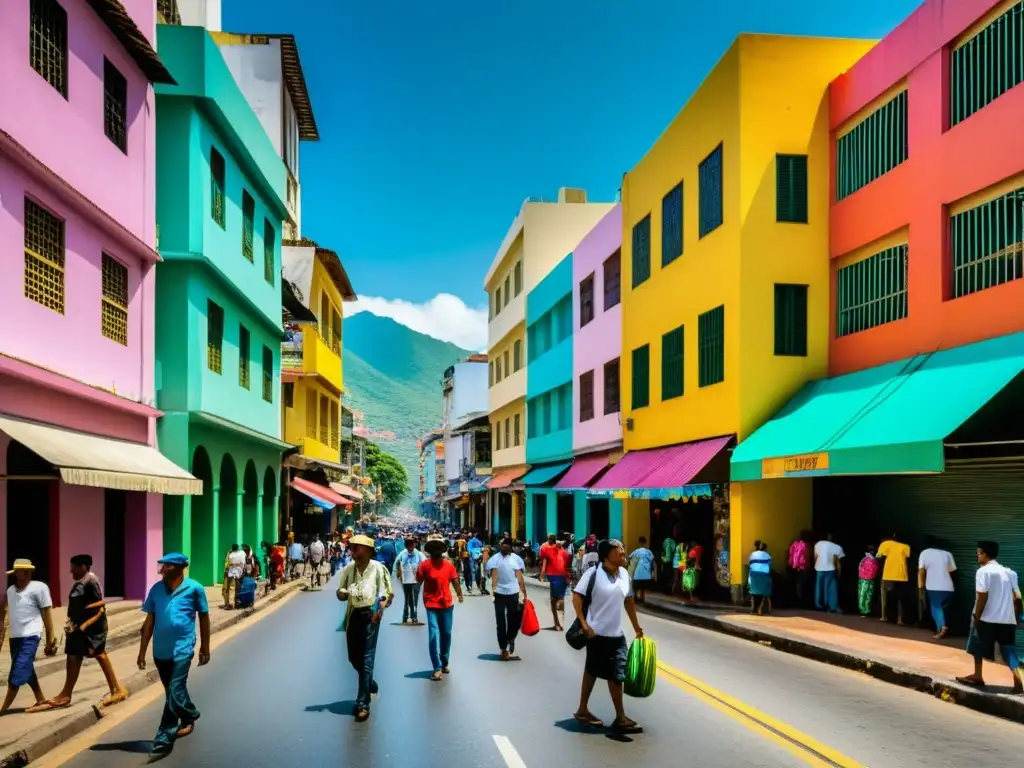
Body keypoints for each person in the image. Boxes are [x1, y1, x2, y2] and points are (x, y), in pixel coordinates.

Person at [137, 553, 211, 759]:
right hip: (160, 651)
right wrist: (142, 652)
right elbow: (148, 623)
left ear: (180, 568)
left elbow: (204, 617)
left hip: (183, 648)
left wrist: (205, 646)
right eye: (162, 565)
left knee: (174, 691)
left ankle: (163, 739)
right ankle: (190, 715)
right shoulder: (156, 589)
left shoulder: (194, 588)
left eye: (168, 566)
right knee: (172, 692)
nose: (162, 569)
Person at [571, 539, 643, 734]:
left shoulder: (624, 574)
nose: (622, 552)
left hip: (616, 635)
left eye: (623, 549)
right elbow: (577, 597)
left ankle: (620, 717)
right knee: (592, 671)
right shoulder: (593, 574)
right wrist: (584, 624)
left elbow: (628, 601)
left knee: (617, 675)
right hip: (596, 634)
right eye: (618, 550)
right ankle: (582, 710)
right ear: (606, 555)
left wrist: (637, 627)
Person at [46, 554, 127, 710]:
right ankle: (66, 693)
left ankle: (115, 689)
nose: (71, 572)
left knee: (98, 653)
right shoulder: (83, 581)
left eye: (74, 568)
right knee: (74, 654)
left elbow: (99, 605)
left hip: (91, 629)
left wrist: (84, 626)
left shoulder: (90, 581)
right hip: (79, 626)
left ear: (83, 566)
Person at [336, 534, 393, 722]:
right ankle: (370, 683)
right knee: (353, 657)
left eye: (358, 548)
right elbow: (341, 592)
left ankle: (363, 703)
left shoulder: (379, 569)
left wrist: (379, 611)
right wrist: (342, 594)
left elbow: (386, 594)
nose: (354, 551)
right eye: (352, 548)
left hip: (371, 614)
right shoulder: (348, 570)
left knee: (367, 657)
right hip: (353, 616)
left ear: (368, 551)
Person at [956, 541, 1023, 694]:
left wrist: (977, 616)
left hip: (986, 618)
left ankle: (978, 675)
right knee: (1009, 651)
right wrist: (1017, 617)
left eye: (979, 553)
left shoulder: (983, 571)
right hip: (1007, 619)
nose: (977, 556)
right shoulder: (1010, 572)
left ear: (985, 554)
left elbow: (982, 596)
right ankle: (1018, 681)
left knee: (976, 646)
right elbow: (1018, 598)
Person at [0, 559, 57, 715]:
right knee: (27, 668)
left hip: (31, 635)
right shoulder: (11, 591)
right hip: (15, 637)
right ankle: (40, 698)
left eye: (24, 570)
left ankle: (3, 708)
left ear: (29, 571)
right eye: (18, 570)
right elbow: (3, 612)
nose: (20, 573)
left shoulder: (39, 588)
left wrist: (50, 638)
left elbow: (47, 613)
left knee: (17, 672)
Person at [418, 535, 463, 681]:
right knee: (433, 635)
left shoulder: (449, 565)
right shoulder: (425, 565)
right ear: (430, 551)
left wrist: (460, 594)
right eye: (434, 549)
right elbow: (419, 579)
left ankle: (444, 661)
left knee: (446, 633)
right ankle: (436, 667)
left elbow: (455, 580)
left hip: (447, 604)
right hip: (431, 604)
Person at [487, 537, 527, 661]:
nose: (504, 546)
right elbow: (493, 577)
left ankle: (511, 640)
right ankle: (503, 648)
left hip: (513, 592)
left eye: (506, 544)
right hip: (499, 593)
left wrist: (524, 594)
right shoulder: (494, 559)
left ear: (510, 546)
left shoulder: (516, 560)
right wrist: (492, 593)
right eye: (502, 544)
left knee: (513, 620)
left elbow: (520, 578)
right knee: (500, 622)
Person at [918, 535, 957, 639]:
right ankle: (943, 627)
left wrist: (921, 586)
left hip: (933, 586)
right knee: (945, 610)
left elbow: (921, 571)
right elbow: (953, 571)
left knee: (936, 609)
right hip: (949, 587)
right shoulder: (947, 554)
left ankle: (942, 629)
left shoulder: (924, 553)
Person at [877, 532, 911, 626]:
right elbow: (908, 561)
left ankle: (884, 616)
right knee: (900, 598)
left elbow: (879, 557)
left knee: (885, 596)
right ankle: (900, 619)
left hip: (887, 575)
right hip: (902, 576)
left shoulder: (885, 544)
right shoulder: (906, 547)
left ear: (894, 537)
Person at [540, 534, 571, 629]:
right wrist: (569, 576)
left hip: (553, 576)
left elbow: (544, 565)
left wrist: (541, 576)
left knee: (553, 600)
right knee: (561, 598)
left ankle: (557, 623)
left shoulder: (546, 549)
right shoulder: (564, 551)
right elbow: (567, 565)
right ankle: (560, 622)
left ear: (549, 540)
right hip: (563, 575)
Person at [394, 537, 427, 624]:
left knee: (414, 598)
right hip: (406, 580)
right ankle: (405, 617)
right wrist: (397, 574)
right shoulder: (402, 554)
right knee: (407, 598)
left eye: (412, 544)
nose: (410, 546)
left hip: (416, 580)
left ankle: (414, 617)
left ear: (414, 544)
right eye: (408, 544)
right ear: (405, 546)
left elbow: (425, 565)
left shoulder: (419, 554)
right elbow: (396, 564)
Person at [814, 533, 844, 613]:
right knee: (831, 587)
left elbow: (815, 557)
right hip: (830, 569)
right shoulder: (837, 547)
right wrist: (839, 574)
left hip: (819, 568)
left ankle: (819, 605)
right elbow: (838, 563)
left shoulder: (818, 544)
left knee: (819, 587)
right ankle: (832, 606)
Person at [628, 537, 657, 605]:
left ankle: (635, 597)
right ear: (645, 542)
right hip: (647, 575)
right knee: (643, 587)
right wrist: (655, 575)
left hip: (637, 575)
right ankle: (642, 597)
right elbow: (654, 564)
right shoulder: (649, 552)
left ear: (639, 542)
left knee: (635, 586)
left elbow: (630, 559)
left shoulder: (636, 551)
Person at [748, 541, 772, 615]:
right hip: (764, 576)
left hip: (754, 575)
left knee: (753, 591)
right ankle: (761, 607)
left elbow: (750, 564)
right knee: (764, 590)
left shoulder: (752, 554)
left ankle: (754, 608)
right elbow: (769, 566)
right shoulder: (768, 555)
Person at [857, 545, 880, 617]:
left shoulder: (864, 559)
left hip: (862, 579)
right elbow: (876, 570)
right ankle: (865, 610)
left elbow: (860, 568)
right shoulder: (873, 560)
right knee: (867, 595)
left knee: (862, 594)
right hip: (869, 579)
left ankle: (863, 610)